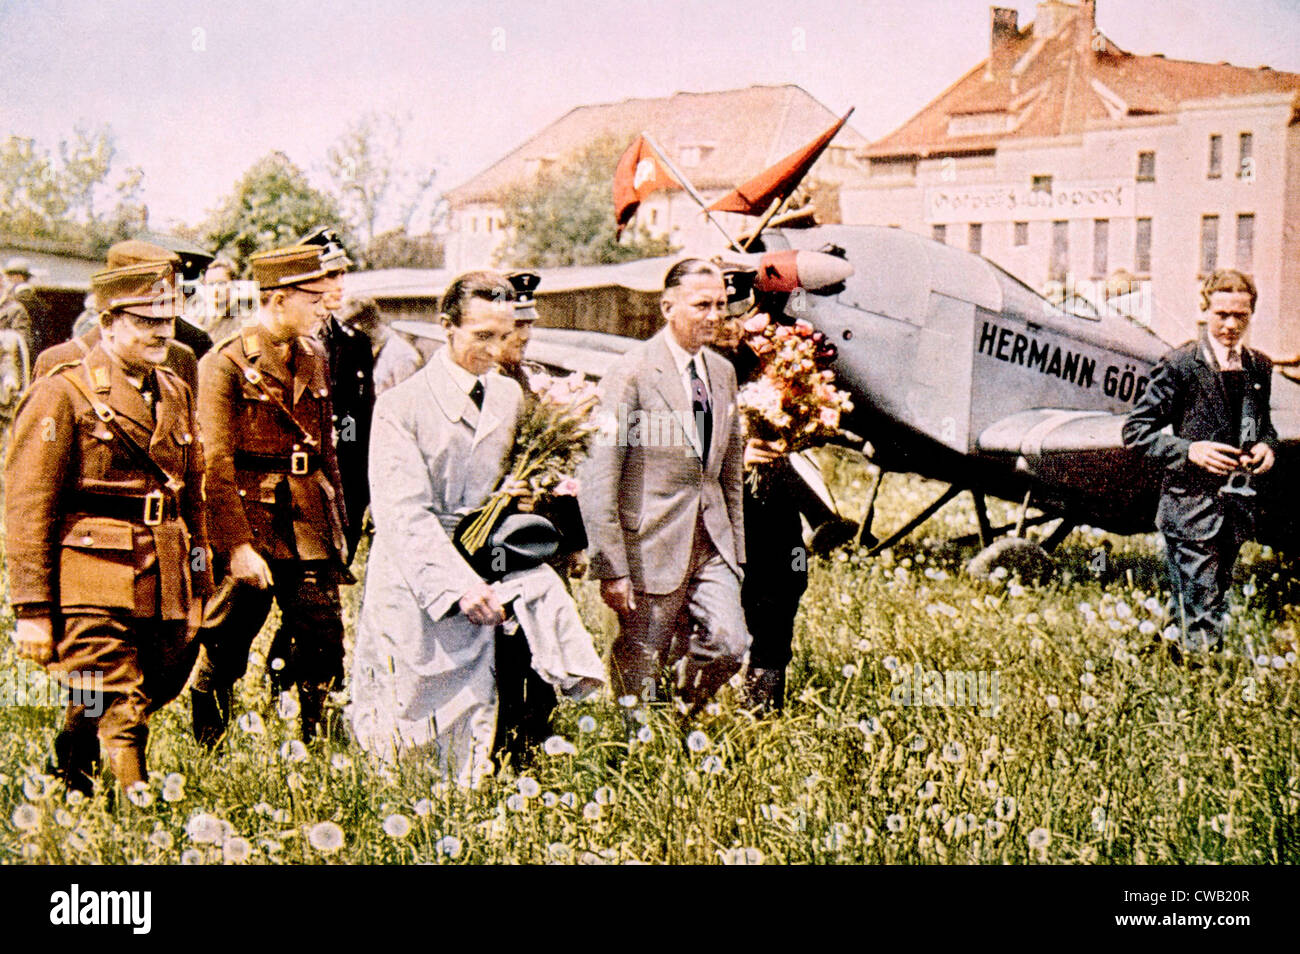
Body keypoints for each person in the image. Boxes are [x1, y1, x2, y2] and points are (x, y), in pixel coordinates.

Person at [349, 270, 602, 784]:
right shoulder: (403, 405)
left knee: (475, 707)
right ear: (446, 327)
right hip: (418, 575)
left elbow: (501, 486)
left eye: (503, 336)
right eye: (480, 336)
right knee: (408, 713)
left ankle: (472, 806)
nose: (493, 348)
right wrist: (457, 585)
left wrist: (519, 497)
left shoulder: (508, 397)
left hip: (483, 564)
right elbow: (404, 513)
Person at [4, 245, 211, 794]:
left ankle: (71, 767)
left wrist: (199, 584)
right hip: (89, 575)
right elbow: (28, 508)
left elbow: (195, 501)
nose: (160, 333)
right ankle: (134, 820)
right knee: (121, 705)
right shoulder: (62, 391)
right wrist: (32, 609)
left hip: (164, 574)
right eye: (145, 321)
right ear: (108, 322)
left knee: (136, 687)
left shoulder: (176, 391)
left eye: (166, 321)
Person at [189, 244, 350, 745]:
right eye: (315, 298)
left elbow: (327, 453)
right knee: (229, 642)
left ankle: (320, 749)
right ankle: (208, 743)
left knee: (324, 640)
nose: (326, 307)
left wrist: (339, 526)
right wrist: (236, 545)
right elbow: (214, 463)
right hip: (252, 521)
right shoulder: (226, 362)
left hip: (307, 523)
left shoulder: (315, 357)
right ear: (278, 300)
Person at [580, 258, 749, 715]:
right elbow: (598, 473)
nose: (715, 315)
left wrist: (736, 551)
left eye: (720, 304)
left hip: (711, 541)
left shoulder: (722, 372)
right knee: (642, 656)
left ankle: (683, 710)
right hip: (649, 545)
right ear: (667, 306)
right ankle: (633, 744)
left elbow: (728, 469)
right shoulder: (631, 372)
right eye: (701, 305)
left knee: (730, 642)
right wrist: (611, 565)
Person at [1123, 269, 1277, 659]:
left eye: (1239, 316)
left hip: (1236, 508)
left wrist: (1266, 447)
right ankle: (1204, 680)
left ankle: (1169, 662)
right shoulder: (1180, 364)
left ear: (1250, 315)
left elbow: (1265, 427)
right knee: (1203, 598)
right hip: (1189, 508)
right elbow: (1136, 431)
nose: (1229, 325)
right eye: (1221, 314)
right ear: (1205, 310)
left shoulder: (1259, 366)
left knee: (1203, 595)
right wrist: (1189, 450)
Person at [711, 268, 807, 712]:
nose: (731, 328)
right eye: (721, 317)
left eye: (740, 315)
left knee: (781, 591)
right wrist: (738, 455)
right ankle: (694, 709)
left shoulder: (772, 363)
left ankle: (762, 711)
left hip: (770, 503)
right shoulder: (688, 371)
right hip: (712, 513)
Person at [299, 226, 373, 567]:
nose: (339, 283)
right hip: (299, 481)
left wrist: (360, 487)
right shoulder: (287, 340)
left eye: (342, 273)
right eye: (330, 275)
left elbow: (359, 421)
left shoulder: (354, 342)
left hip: (344, 478)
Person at [32, 241, 200, 391]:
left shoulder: (181, 359)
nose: (165, 333)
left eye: (169, 319)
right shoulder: (59, 360)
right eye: (148, 320)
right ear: (109, 320)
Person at [342, 296, 421, 398]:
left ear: (363, 323)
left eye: (349, 327)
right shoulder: (368, 350)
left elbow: (406, 403)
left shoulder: (402, 355)